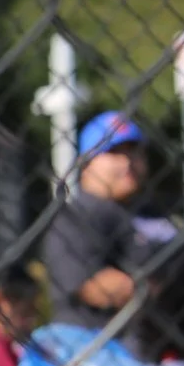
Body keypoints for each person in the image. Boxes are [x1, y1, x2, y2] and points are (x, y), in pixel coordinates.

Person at [45, 111, 149, 333]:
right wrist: (160, 286)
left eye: (133, 151)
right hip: (96, 341)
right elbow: (92, 286)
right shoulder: (79, 216)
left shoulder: (150, 212)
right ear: (86, 163)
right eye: (114, 152)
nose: (127, 161)